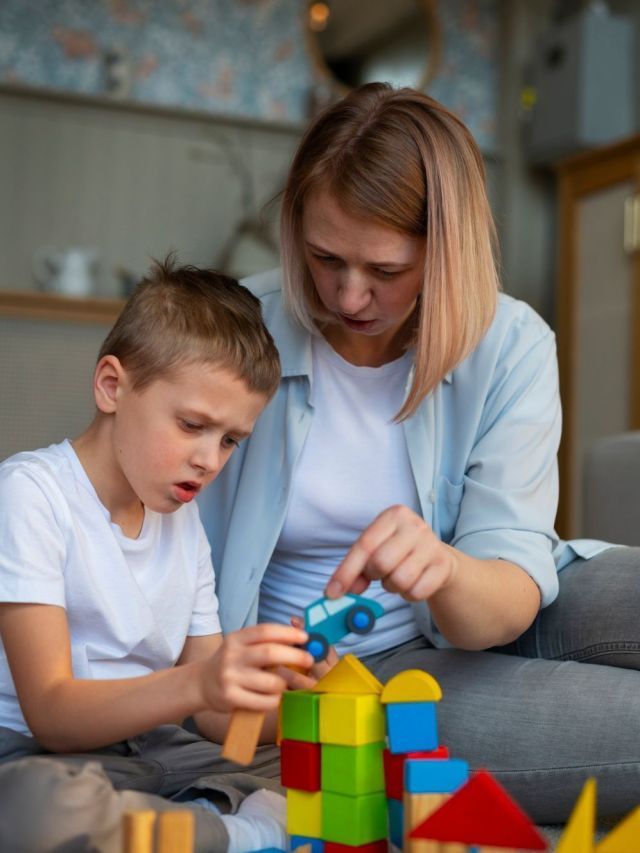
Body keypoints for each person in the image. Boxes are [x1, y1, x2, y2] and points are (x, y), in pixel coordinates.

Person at [199, 82, 640, 824]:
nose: (347, 296)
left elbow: (504, 596)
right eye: (324, 258)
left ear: (448, 252)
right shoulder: (237, 331)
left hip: (491, 601)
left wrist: (443, 568)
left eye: (386, 271)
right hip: (360, 678)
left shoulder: (510, 343)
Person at [0, 258, 316, 853]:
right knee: (36, 812)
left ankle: (192, 827)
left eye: (229, 440)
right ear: (112, 386)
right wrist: (199, 683)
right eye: (192, 424)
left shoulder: (182, 521)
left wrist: (302, 703)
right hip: (40, 753)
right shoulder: (30, 493)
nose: (210, 459)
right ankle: (229, 830)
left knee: (312, 777)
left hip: (152, 752)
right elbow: (52, 712)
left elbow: (221, 721)